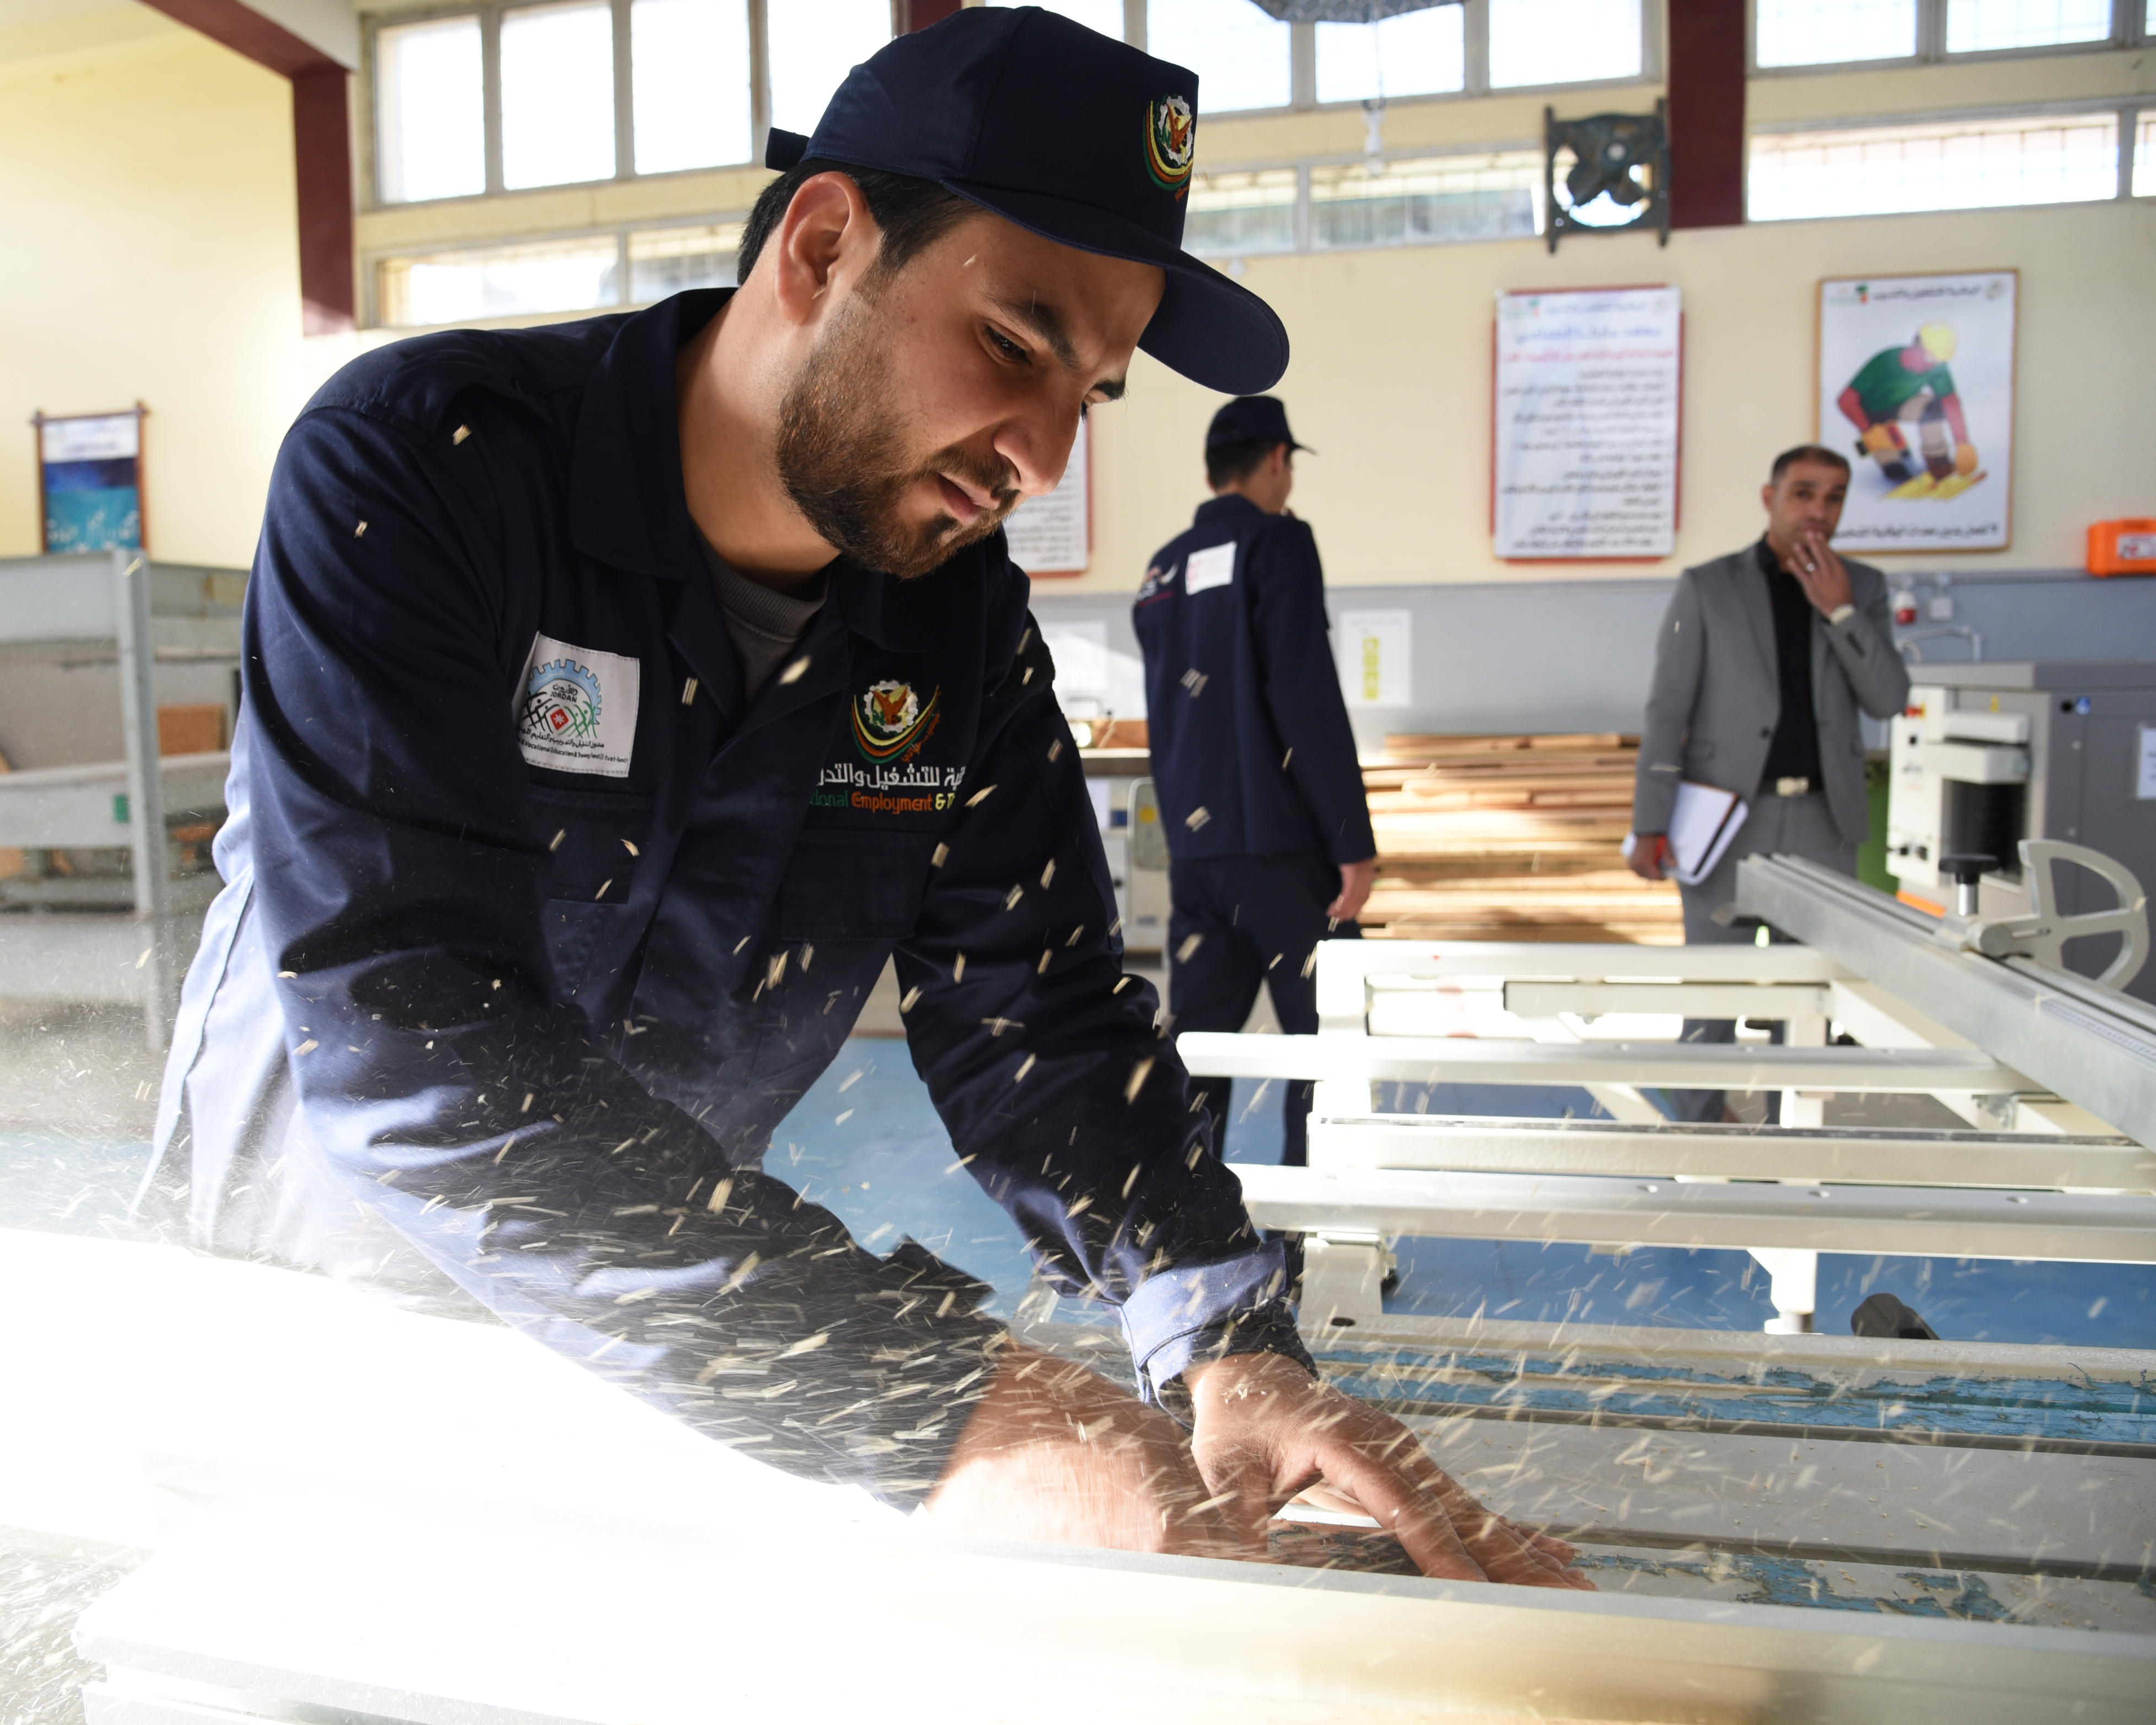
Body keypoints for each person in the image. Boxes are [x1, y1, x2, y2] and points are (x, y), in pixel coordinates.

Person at [140, 9, 1582, 1588]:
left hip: (665, 1359)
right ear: (824, 245)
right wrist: (949, 1408)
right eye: (1017, 346)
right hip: (310, 1311)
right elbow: (414, 1034)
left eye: (1088, 396)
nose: (1038, 454)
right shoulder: (430, 468)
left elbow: (1040, 1014)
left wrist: (1228, 1341)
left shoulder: (948, 618)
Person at [1628, 444, 1910, 1122]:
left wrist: (1839, 612)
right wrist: (1649, 820)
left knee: (1809, 992)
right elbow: (1667, 709)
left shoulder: (1863, 587)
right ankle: (1697, 1122)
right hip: (1726, 818)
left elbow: (1888, 698)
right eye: (1804, 493)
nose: (1818, 510)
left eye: (1834, 497)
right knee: (1712, 985)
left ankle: (1793, 1133)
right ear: (1770, 498)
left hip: (1822, 821)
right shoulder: (1706, 587)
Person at [1132, 397, 1375, 1168]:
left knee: (1198, 1048)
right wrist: (1352, 841)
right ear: (1277, 459)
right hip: (1281, 854)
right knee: (1328, 1042)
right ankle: (1311, 1232)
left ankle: (1192, 1233)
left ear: (1210, 473)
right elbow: (1304, 694)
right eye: (1289, 465)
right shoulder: (1278, 544)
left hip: (1198, 861)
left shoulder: (1161, 570)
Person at [1835, 322, 1979, 499]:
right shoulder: (1885, 361)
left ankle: (1938, 459)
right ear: (1916, 346)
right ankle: (1891, 463)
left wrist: (1963, 443)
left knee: (1934, 408)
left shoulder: (1937, 366)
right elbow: (1845, 401)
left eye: (1939, 359)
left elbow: (1951, 403)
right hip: (1869, 413)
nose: (1934, 364)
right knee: (1894, 471)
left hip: (1901, 404)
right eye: (1931, 356)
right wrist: (1868, 430)